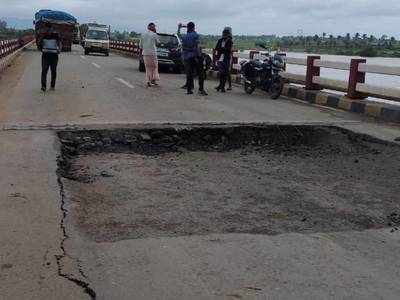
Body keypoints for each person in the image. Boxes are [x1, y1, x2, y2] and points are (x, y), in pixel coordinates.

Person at [178, 22, 208, 96]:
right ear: (194, 27)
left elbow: (178, 35)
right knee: (201, 73)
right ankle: (201, 89)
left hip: (187, 56)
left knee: (189, 73)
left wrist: (179, 28)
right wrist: (200, 56)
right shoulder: (196, 35)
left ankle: (189, 89)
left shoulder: (185, 36)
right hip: (195, 56)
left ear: (188, 28)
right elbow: (198, 46)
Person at [38, 23, 61, 92]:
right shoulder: (43, 36)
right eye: (47, 29)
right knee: (44, 71)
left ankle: (52, 86)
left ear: (52, 29)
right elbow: (39, 43)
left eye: (49, 29)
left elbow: (59, 43)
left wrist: (59, 49)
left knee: (53, 71)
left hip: (54, 56)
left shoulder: (56, 35)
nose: (48, 30)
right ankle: (43, 86)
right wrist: (40, 47)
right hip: (45, 56)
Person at [139, 23, 160, 87]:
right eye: (154, 27)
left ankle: (148, 81)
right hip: (153, 53)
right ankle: (153, 79)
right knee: (154, 67)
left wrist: (140, 54)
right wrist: (155, 33)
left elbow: (140, 45)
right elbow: (158, 43)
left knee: (147, 67)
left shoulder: (143, 34)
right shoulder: (154, 34)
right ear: (153, 28)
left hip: (145, 53)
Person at [214, 27, 233, 93]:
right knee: (221, 72)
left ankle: (222, 87)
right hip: (220, 58)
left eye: (225, 34)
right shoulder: (220, 40)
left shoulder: (229, 41)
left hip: (226, 58)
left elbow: (228, 50)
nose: (224, 35)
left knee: (225, 73)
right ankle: (221, 86)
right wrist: (222, 49)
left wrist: (222, 49)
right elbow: (216, 48)